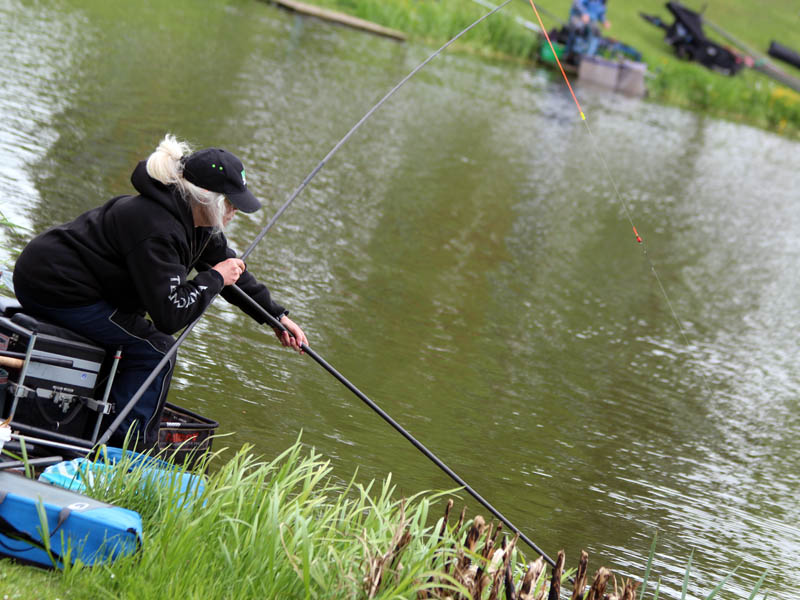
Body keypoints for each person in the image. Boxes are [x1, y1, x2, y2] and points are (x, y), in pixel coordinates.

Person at [12, 134, 308, 445]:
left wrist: (276, 316)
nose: (235, 211)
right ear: (206, 195)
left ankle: (99, 426)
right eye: (231, 202)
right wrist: (215, 279)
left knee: (143, 341)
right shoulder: (156, 227)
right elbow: (170, 314)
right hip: (55, 287)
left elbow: (231, 269)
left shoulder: (199, 222)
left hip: (84, 288)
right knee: (156, 350)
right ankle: (121, 450)